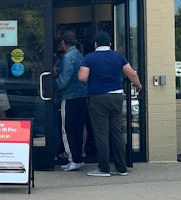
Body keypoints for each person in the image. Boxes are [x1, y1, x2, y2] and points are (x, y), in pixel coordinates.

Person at [78, 31, 142, 177]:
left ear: (95, 44)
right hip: (117, 97)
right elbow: (131, 73)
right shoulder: (118, 56)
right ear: (110, 44)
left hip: (98, 98)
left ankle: (103, 168)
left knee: (101, 134)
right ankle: (121, 167)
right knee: (116, 132)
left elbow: (82, 77)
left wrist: (94, 79)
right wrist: (138, 85)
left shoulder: (89, 57)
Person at [54, 30, 88, 171]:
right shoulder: (79, 55)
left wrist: (52, 85)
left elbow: (65, 80)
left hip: (69, 96)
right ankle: (78, 157)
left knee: (67, 129)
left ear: (63, 43)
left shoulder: (68, 57)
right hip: (82, 95)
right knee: (77, 128)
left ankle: (72, 159)